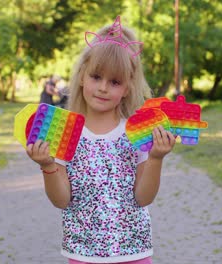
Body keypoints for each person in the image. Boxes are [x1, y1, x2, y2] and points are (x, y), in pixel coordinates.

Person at [26, 16, 176, 264]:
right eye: (96, 77)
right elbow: (61, 200)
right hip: (82, 252)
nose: (103, 87)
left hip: (133, 251)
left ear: (127, 87)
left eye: (115, 82)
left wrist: (156, 158)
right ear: (83, 76)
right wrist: (48, 166)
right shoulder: (65, 132)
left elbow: (144, 198)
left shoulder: (136, 132)